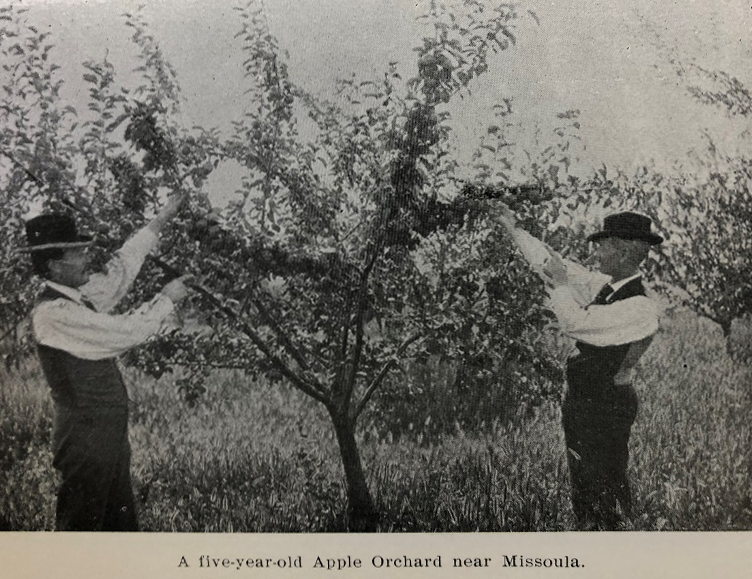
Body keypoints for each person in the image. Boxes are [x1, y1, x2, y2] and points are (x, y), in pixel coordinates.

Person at [21, 195, 191, 531]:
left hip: (107, 436)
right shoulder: (53, 314)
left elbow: (120, 271)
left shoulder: (77, 297)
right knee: (81, 531)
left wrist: (160, 220)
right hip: (84, 441)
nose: (87, 257)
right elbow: (122, 332)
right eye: (78, 252)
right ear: (55, 266)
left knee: (118, 525)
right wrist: (165, 301)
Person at [498, 206, 663, 530]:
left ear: (625, 250)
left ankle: (613, 541)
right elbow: (550, 264)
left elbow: (575, 323)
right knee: (584, 484)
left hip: (607, 405)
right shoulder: (603, 286)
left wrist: (560, 285)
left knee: (605, 485)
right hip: (583, 401)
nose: (597, 252)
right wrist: (513, 229)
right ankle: (592, 530)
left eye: (604, 244)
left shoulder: (640, 307)